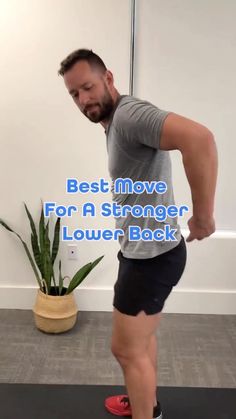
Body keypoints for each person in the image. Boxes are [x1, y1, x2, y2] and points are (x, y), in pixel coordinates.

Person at [58, 49, 218, 419]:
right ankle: (147, 402)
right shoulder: (115, 123)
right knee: (140, 342)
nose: (83, 99)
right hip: (143, 252)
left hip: (152, 259)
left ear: (109, 78)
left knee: (126, 349)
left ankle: (147, 412)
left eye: (88, 87)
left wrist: (204, 216)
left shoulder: (129, 115)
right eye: (74, 94)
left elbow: (200, 139)